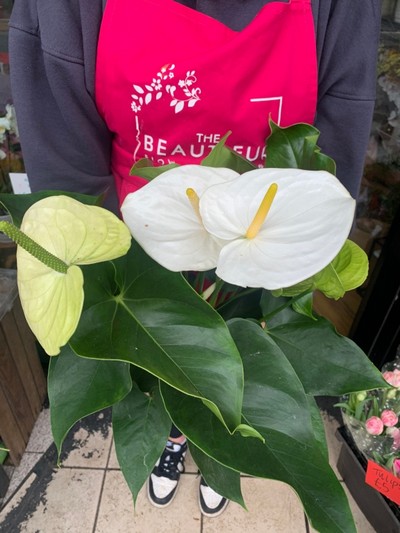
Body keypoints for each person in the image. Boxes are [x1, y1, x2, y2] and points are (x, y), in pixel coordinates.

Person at [9, 0, 381, 518]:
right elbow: (70, 178)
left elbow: (329, 164)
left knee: (237, 371)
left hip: (256, 247)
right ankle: (176, 441)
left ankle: (217, 457)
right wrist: (123, 283)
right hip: (139, 243)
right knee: (169, 372)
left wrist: (284, 267)